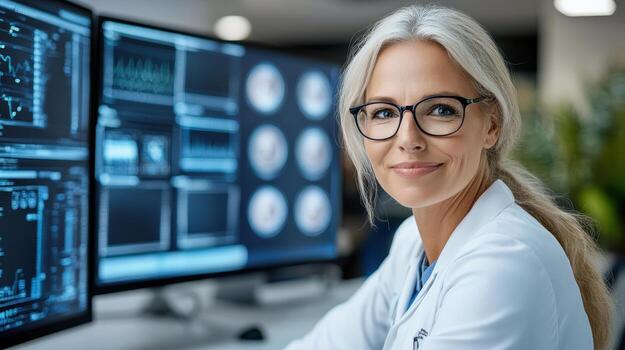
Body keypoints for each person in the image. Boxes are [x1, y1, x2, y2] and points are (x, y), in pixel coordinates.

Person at [285, 5, 612, 350]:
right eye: (383, 112)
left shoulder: (505, 264)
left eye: (441, 109)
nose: (408, 138)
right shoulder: (413, 241)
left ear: (492, 124)